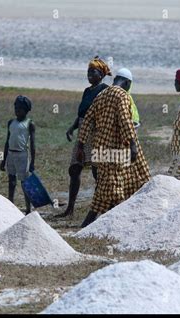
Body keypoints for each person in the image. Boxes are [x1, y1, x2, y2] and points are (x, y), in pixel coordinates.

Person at [77, 68, 150, 227]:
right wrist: (132, 144)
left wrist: (81, 146)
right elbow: (125, 120)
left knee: (105, 186)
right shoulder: (122, 96)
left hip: (100, 150)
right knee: (114, 189)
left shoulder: (101, 95)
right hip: (115, 151)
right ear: (128, 83)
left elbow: (87, 120)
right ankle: (113, 224)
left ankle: (93, 222)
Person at [55, 56, 111, 217]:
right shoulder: (87, 91)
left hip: (95, 134)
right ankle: (70, 208)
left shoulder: (104, 90)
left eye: (92, 72)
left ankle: (100, 207)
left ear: (101, 74)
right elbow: (82, 113)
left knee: (97, 171)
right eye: (88, 72)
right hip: (82, 133)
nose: (89, 75)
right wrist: (72, 127)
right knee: (74, 169)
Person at [0, 95, 35, 214]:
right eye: (16, 108)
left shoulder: (30, 124)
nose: (17, 111)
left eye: (20, 109)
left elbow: (33, 144)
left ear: (26, 110)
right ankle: (11, 205)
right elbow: (7, 141)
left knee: (25, 183)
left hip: (23, 155)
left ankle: (28, 209)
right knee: (11, 181)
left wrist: (33, 163)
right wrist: (3, 160)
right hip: (11, 154)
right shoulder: (11, 122)